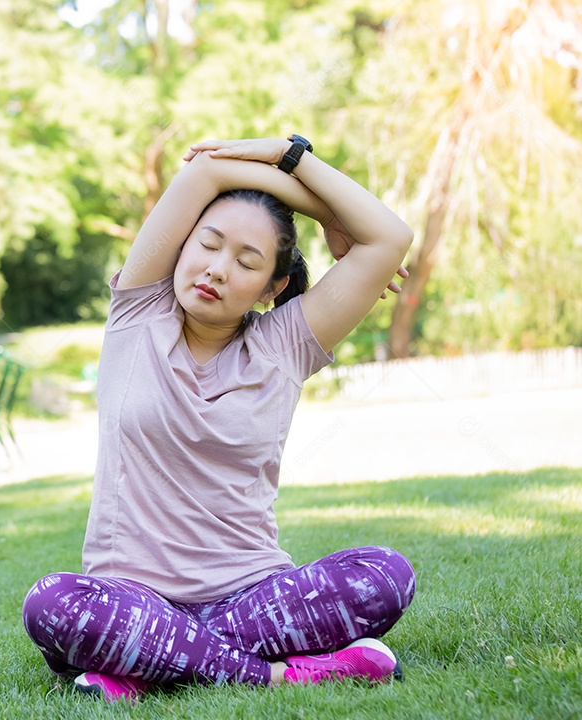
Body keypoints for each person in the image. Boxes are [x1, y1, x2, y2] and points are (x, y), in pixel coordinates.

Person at [21, 136, 417, 703]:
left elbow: (389, 237)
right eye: (207, 245)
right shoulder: (137, 315)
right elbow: (204, 170)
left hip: (252, 593)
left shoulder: (287, 344)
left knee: (384, 575)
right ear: (182, 246)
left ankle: (145, 662)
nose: (217, 269)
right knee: (54, 603)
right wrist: (327, 212)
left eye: (247, 262)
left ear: (272, 287)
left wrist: (290, 152)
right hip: (132, 595)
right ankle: (286, 672)